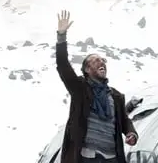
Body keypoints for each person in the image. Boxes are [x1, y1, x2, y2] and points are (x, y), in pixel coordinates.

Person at [54, 10, 138, 163]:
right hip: (87, 156)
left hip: (111, 157)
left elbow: (124, 120)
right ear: (87, 69)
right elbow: (63, 66)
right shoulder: (80, 89)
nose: (101, 63)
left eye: (102, 60)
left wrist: (131, 133)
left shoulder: (115, 96)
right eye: (95, 61)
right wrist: (61, 37)